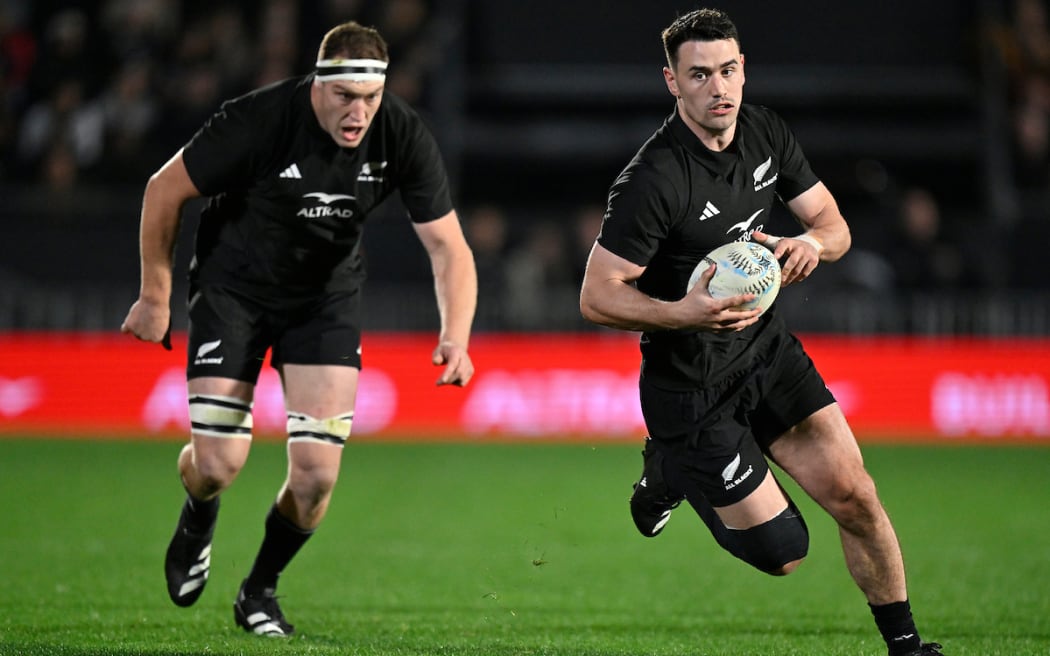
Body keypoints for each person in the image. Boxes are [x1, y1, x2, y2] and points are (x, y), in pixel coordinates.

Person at [578, 9, 943, 656]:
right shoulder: (655, 179)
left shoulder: (766, 131)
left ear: (743, 69)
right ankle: (669, 469)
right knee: (786, 553)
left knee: (857, 496)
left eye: (727, 70)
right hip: (690, 387)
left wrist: (811, 246)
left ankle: (909, 648)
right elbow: (596, 295)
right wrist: (682, 314)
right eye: (699, 75)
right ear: (673, 82)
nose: (718, 87)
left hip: (767, 353)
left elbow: (834, 226)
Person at [120, 20, 477, 637]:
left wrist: (457, 335)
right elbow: (163, 190)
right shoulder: (258, 120)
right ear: (318, 84)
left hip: (324, 301)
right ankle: (199, 513)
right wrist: (156, 296)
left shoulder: (401, 132)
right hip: (234, 292)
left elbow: (449, 246)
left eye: (370, 98)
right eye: (345, 97)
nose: (359, 112)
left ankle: (258, 592)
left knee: (316, 477)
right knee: (218, 463)